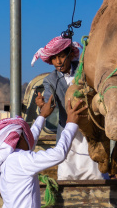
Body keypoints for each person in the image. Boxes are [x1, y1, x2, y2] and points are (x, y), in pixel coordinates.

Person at [31, 36, 102, 180]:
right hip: (67, 133)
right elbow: (51, 105)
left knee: (95, 174)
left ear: (70, 55)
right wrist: (42, 106)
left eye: (62, 56)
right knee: (66, 174)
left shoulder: (85, 71)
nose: (58, 61)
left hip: (89, 130)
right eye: (54, 58)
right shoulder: (50, 80)